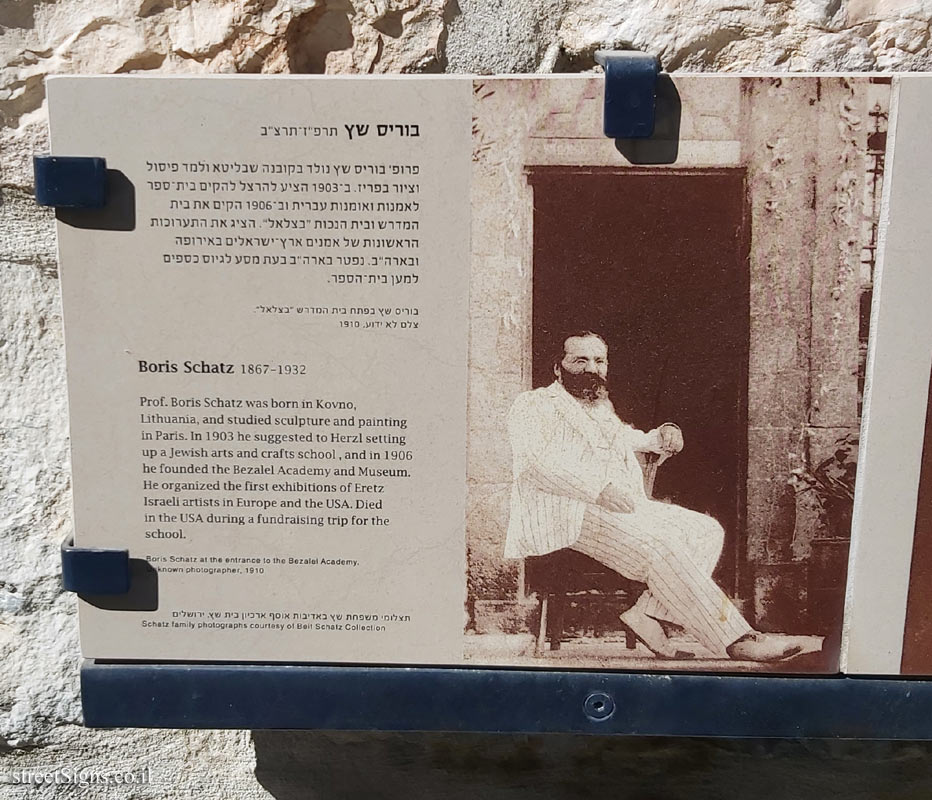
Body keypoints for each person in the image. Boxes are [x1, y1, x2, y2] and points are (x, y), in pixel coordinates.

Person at [505, 331, 805, 662]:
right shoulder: (533, 405)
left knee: (706, 530)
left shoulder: (601, 408)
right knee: (659, 547)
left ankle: (646, 615)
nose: (592, 368)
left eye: (599, 360)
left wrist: (660, 436)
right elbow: (536, 466)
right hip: (564, 515)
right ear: (557, 368)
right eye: (580, 360)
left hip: (617, 510)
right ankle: (737, 639)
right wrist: (597, 490)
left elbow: (624, 439)